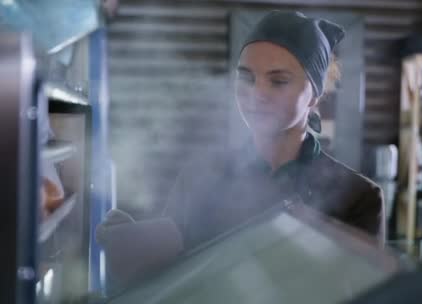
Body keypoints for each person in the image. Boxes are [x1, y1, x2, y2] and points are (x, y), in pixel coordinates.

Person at [97, 10, 384, 287]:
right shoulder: (199, 178)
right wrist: (138, 244)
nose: (256, 94)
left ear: (314, 96)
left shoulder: (358, 198)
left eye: (278, 81)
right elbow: (171, 284)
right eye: (246, 77)